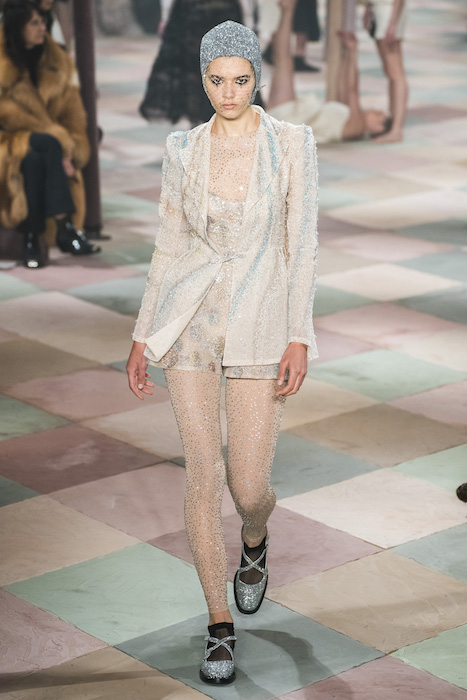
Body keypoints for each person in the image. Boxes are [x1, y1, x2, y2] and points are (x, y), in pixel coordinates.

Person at [127, 19, 318, 684]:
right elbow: (169, 245)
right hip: (191, 326)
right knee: (202, 476)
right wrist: (143, 333)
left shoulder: (291, 143)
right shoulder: (183, 148)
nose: (229, 92)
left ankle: (255, 538)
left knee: (249, 487)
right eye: (217, 80)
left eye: (240, 79)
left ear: (256, 76)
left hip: (261, 324)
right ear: (203, 79)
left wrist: (299, 335)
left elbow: (301, 244)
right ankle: (218, 625)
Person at [0, 0, 99, 268]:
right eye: (34, 23)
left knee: (34, 160)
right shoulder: (2, 63)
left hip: (36, 151)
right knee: (50, 144)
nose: (42, 28)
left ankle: (31, 241)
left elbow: (74, 117)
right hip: (5, 144)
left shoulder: (57, 62)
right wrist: (59, 141)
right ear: (17, 26)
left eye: (43, 22)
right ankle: (64, 225)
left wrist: (71, 145)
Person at [267, 0, 391, 143]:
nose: (374, 109)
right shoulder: (348, 117)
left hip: (287, 121)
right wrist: (349, 54)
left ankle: (287, 10)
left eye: (378, 114)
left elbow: (352, 90)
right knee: (283, 62)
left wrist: (353, 52)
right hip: (292, 115)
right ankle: (287, 10)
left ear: (377, 128)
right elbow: (343, 86)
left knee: (284, 62)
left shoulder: (356, 128)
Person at [139, 0, 266, 126]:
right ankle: (207, 127)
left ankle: (206, 126)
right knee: (211, 72)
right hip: (210, 12)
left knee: (202, 72)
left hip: (200, 12)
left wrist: (166, 15)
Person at [361, 0, 408, 143]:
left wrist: (393, 21)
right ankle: (393, 122)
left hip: (390, 11)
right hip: (379, 10)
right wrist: (369, 8)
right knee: (390, 71)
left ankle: (397, 129)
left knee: (396, 73)